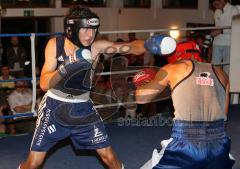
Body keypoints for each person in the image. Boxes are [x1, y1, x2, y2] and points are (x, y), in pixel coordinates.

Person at [18, 5, 176, 169]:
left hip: (83, 108)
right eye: (86, 30)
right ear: (72, 29)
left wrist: (149, 44)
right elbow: (43, 84)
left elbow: (128, 47)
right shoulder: (55, 45)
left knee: (108, 156)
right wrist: (67, 65)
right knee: (34, 163)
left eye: (93, 30)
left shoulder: (96, 48)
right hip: (54, 107)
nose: (90, 35)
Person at [133, 44, 235, 169]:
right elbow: (224, 119)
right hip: (219, 145)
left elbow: (141, 98)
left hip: (185, 145)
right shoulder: (222, 74)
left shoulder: (174, 68)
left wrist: (144, 82)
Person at [210, 0, 240, 74]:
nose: (214, 3)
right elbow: (218, 27)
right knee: (214, 67)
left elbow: (235, 28)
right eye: (213, 2)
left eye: (216, 1)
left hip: (229, 43)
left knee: (227, 69)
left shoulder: (234, 9)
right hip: (216, 42)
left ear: (223, 0)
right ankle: (216, 85)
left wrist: (220, 31)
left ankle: (227, 85)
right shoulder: (216, 11)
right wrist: (214, 32)